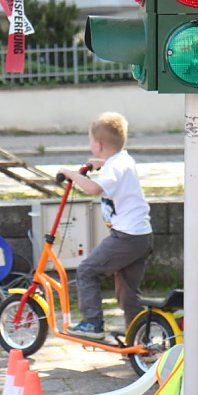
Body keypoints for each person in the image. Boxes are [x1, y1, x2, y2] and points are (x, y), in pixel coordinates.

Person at [57, 112, 153, 339]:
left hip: (126, 237)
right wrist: (102, 163)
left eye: (91, 140)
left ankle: (92, 324)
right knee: (128, 294)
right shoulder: (122, 160)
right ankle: (139, 338)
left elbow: (93, 189)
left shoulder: (114, 168)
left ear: (99, 145)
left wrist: (69, 173)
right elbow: (115, 170)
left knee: (87, 271)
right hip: (141, 236)